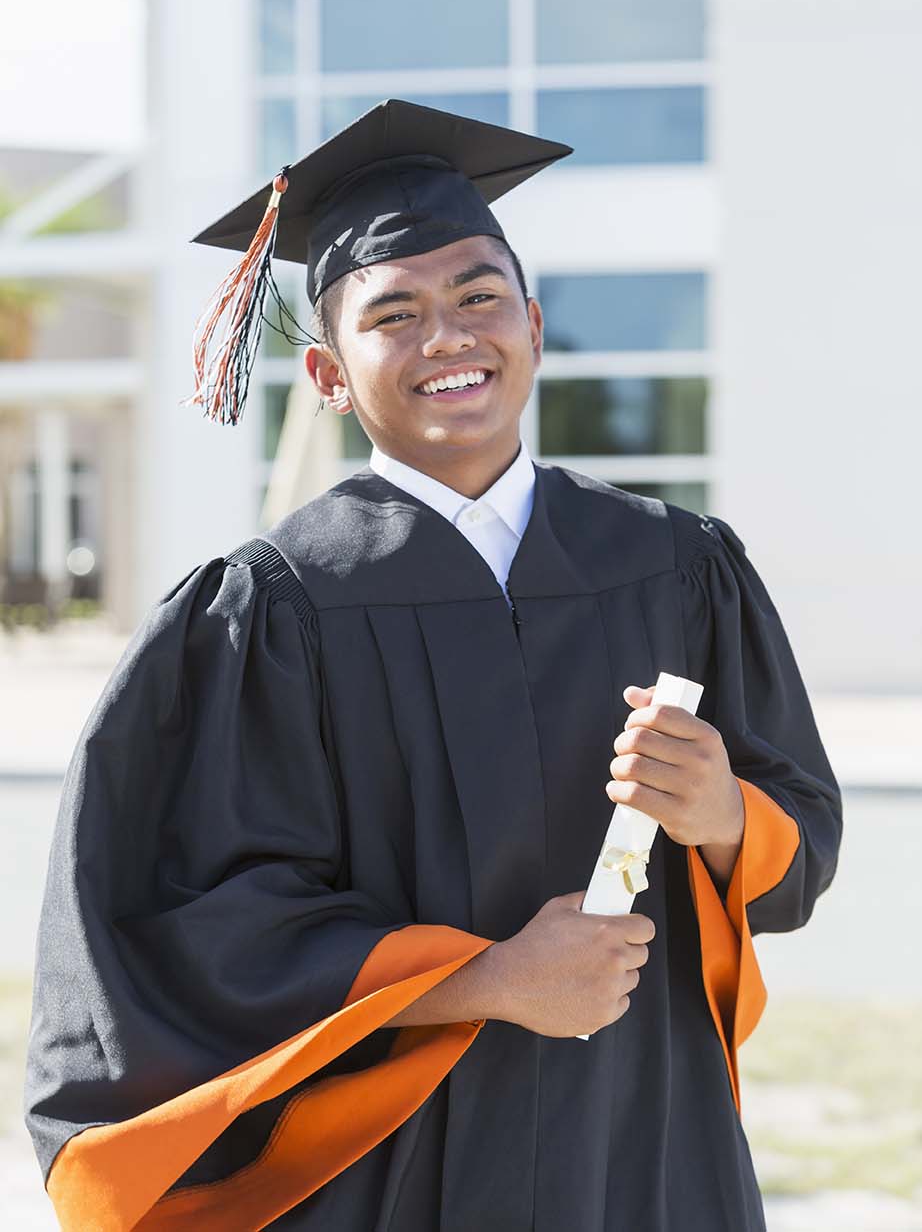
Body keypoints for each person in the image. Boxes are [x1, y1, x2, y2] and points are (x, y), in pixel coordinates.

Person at [24, 100, 842, 1231]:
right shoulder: (269, 608)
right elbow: (183, 923)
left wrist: (721, 812)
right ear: (323, 372)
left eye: (477, 296)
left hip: (640, 1136)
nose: (448, 336)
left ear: (536, 325)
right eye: (393, 313)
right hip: (388, 1160)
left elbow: (802, 834)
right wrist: (487, 981)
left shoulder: (673, 565)